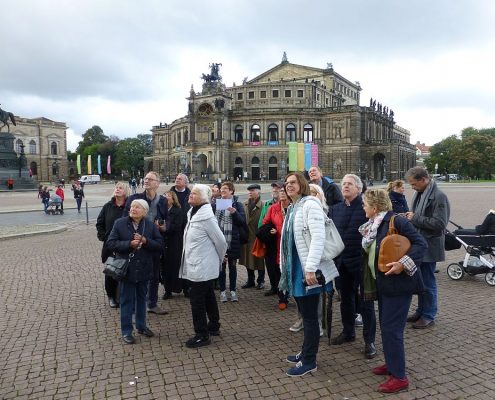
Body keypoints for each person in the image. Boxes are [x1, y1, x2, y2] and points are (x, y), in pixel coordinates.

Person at [359, 189, 427, 393]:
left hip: (398, 285)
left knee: (392, 330)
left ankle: (399, 377)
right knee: (387, 327)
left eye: (365, 204)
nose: (363, 207)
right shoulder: (374, 225)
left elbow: (420, 244)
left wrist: (402, 263)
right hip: (384, 284)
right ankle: (391, 364)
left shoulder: (397, 221)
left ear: (375, 207)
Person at [279, 172, 338, 377]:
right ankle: (305, 352)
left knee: (311, 318)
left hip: (307, 270)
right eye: (287, 183)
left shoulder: (310, 204)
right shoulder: (294, 207)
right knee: (306, 315)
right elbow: (287, 242)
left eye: (293, 182)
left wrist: (311, 268)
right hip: (296, 269)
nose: (289, 186)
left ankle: (309, 360)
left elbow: (318, 237)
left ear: (302, 184)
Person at [329, 174, 377, 359]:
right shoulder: (334, 209)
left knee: (366, 302)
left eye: (349, 184)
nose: (345, 187)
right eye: (343, 184)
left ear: (359, 188)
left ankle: (369, 341)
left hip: (361, 262)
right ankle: (348, 332)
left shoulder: (367, 208)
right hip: (341, 262)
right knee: (346, 299)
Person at [106, 199, 163, 345]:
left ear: (144, 211)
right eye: (132, 207)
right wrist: (128, 244)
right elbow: (110, 243)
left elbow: (160, 245)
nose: (133, 209)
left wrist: (145, 241)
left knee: (142, 300)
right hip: (127, 270)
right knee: (126, 301)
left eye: (137, 207)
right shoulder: (120, 223)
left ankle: (141, 327)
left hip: (144, 269)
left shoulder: (149, 225)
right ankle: (126, 331)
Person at [179, 184, 227, 348]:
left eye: (195, 193)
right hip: (197, 263)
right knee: (207, 294)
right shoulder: (193, 213)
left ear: (204, 198)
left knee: (197, 299)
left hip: (203, 265)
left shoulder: (206, 217)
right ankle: (213, 325)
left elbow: (221, 241)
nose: (190, 195)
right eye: (191, 193)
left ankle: (202, 334)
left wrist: (218, 259)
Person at [405, 166, 450, 329]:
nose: (412, 187)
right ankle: (421, 310)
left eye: (414, 184)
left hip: (430, 245)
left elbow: (440, 224)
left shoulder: (439, 196)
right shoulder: (421, 193)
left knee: (428, 281)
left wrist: (415, 218)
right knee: (420, 281)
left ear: (423, 180)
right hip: (419, 244)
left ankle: (429, 315)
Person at [124, 171, 169, 315]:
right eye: (145, 178)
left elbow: (166, 220)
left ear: (157, 183)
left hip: (153, 242)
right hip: (137, 242)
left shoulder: (162, 200)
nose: (146, 181)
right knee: (136, 273)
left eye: (150, 179)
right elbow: (126, 219)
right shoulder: (134, 198)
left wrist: (163, 227)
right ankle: (136, 304)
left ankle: (152, 303)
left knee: (154, 274)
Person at [96, 182, 130, 308]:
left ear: (126, 191)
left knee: (125, 270)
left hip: (125, 244)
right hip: (110, 245)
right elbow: (100, 223)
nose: (117, 189)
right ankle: (111, 296)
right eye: (116, 187)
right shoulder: (108, 206)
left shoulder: (129, 207)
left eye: (120, 188)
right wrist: (104, 236)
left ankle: (123, 295)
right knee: (111, 270)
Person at [213, 181, 247, 303]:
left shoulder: (238, 205)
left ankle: (233, 291)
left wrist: (234, 212)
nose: (223, 191)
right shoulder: (215, 204)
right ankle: (222, 291)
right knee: (221, 267)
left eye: (226, 189)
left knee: (232, 267)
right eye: (222, 189)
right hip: (220, 241)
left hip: (232, 241)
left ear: (231, 191)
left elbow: (242, 222)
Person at [262, 183, 291, 309]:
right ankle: (282, 298)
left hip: (290, 245)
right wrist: (271, 229)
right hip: (276, 245)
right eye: (281, 191)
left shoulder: (294, 207)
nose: (282, 193)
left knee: (289, 270)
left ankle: (288, 293)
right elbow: (265, 223)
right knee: (277, 271)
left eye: (285, 191)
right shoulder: (273, 208)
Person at [258, 181, 282, 295]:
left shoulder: (286, 204)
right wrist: (261, 236)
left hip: (280, 239)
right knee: (270, 265)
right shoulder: (267, 204)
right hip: (269, 240)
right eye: (273, 188)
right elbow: (262, 222)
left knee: (280, 266)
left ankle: (282, 288)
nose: (274, 190)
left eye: (277, 188)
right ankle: (273, 286)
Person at [240, 184, 265, 289]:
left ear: (259, 192)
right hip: (247, 236)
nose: (250, 192)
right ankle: (250, 280)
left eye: (252, 190)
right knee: (247, 259)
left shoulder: (263, 205)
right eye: (249, 191)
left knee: (259, 260)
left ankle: (261, 281)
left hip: (257, 236)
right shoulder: (244, 204)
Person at [171, 173, 191, 296]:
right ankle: (171, 288)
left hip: (188, 232)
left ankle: (187, 287)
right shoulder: (169, 194)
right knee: (174, 261)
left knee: (187, 261)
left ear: (185, 182)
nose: (177, 180)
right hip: (174, 233)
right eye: (176, 179)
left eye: (180, 179)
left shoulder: (190, 194)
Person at [161, 190, 184, 300]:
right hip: (163, 242)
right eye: (164, 195)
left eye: (168, 195)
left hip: (175, 242)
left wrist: (166, 228)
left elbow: (178, 227)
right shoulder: (161, 211)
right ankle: (168, 290)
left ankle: (182, 287)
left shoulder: (178, 211)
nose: (165, 197)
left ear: (173, 199)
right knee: (165, 267)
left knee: (176, 266)